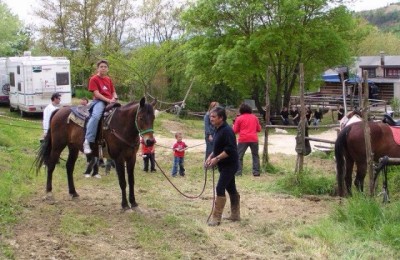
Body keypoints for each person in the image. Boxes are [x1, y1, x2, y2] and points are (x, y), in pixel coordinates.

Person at [205, 106, 240, 226]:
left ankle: (216, 218)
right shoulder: (218, 129)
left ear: (221, 118)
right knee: (231, 188)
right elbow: (217, 148)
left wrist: (217, 158)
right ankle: (235, 215)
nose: (211, 119)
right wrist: (210, 157)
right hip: (223, 164)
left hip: (230, 164)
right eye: (210, 116)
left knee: (220, 188)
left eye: (214, 117)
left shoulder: (227, 131)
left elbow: (229, 150)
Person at [83, 60, 118, 154]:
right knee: (96, 116)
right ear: (98, 68)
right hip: (99, 102)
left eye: (105, 67)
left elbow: (113, 91)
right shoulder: (93, 79)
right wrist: (109, 100)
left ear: (108, 69)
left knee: (123, 114)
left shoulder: (108, 79)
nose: (103, 68)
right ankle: (87, 140)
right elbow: (96, 94)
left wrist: (115, 97)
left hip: (110, 101)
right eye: (101, 66)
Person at [233, 103, 262, 177]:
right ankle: (256, 172)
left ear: (241, 110)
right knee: (255, 155)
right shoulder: (255, 117)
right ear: (250, 109)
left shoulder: (239, 118)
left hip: (243, 139)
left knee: (239, 156)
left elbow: (235, 130)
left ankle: (238, 172)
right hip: (253, 138)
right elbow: (259, 129)